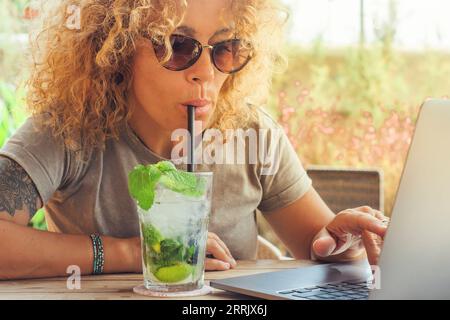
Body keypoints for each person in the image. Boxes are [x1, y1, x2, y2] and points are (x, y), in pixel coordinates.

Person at [0, 0, 388, 280]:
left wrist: (344, 242)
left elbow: (324, 252)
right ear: (115, 48)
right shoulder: (69, 129)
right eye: (177, 45)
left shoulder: (252, 134)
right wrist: (130, 252)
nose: (205, 72)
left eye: (225, 48)